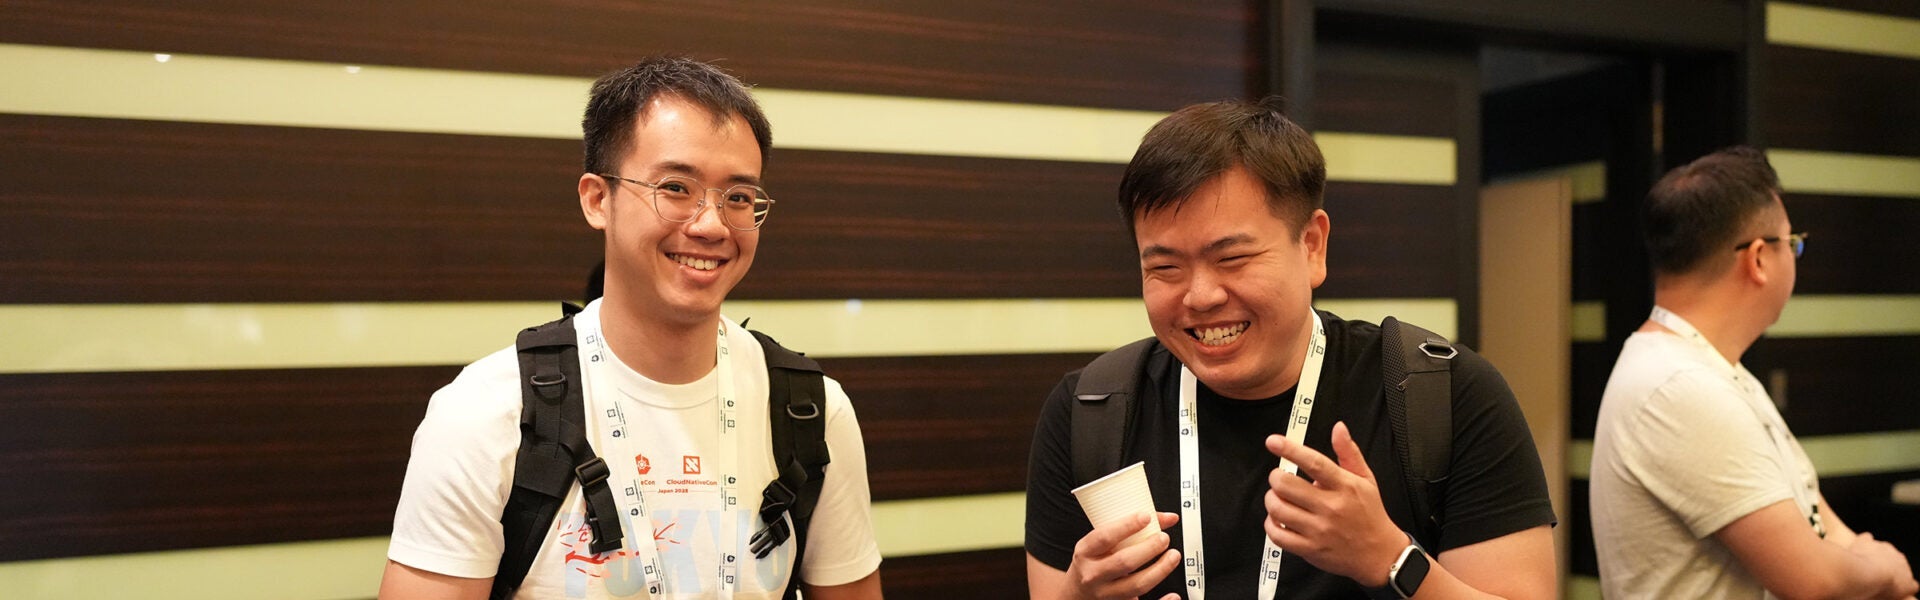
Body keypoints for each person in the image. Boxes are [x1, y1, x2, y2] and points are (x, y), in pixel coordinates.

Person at [379, 57, 883, 599]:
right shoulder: (487, 412)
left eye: (738, 197)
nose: (712, 225)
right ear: (598, 199)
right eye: (676, 188)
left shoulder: (810, 410)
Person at [1024, 97, 1557, 599]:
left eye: (1232, 258)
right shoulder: (1089, 412)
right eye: (1163, 267)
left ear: (1312, 245)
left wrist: (1391, 558)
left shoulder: (1446, 395)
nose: (1201, 297)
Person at [1589, 146, 1917, 599]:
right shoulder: (1679, 387)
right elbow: (1814, 579)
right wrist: (1884, 570)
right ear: (1759, 258)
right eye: (1793, 243)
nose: (1796, 257)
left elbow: (1824, 531)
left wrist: (1870, 564)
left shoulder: (1718, 371)